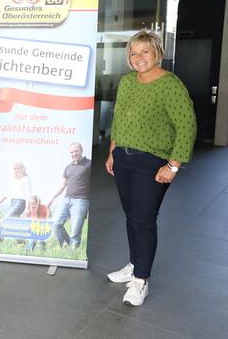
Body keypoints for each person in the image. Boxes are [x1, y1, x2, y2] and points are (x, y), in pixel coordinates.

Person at [105, 30, 196, 306]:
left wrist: (174, 165)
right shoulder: (126, 82)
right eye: (133, 52)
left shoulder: (170, 84)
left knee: (144, 219)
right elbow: (119, 120)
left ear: (158, 53)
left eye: (145, 51)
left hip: (152, 162)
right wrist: (112, 153)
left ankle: (141, 281)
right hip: (123, 158)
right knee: (132, 215)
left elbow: (187, 126)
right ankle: (134, 265)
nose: (138, 57)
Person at [48, 142, 91, 249]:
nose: (74, 153)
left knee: (75, 231)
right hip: (66, 199)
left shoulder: (89, 164)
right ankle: (66, 247)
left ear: (81, 150)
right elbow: (62, 185)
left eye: (76, 151)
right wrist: (52, 198)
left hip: (81, 201)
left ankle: (73, 252)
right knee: (56, 224)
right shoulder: (68, 167)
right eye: (71, 152)